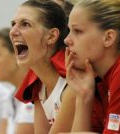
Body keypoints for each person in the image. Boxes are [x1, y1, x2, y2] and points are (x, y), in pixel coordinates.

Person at [63, 0, 120, 133]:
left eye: (77, 31)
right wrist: (84, 96)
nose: (66, 40)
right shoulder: (99, 80)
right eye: (69, 31)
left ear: (108, 38)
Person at [9, 0, 76, 133]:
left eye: (25, 24)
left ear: (51, 36)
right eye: (13, 24)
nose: (13, 31)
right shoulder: (39, 83)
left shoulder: (72, 81)